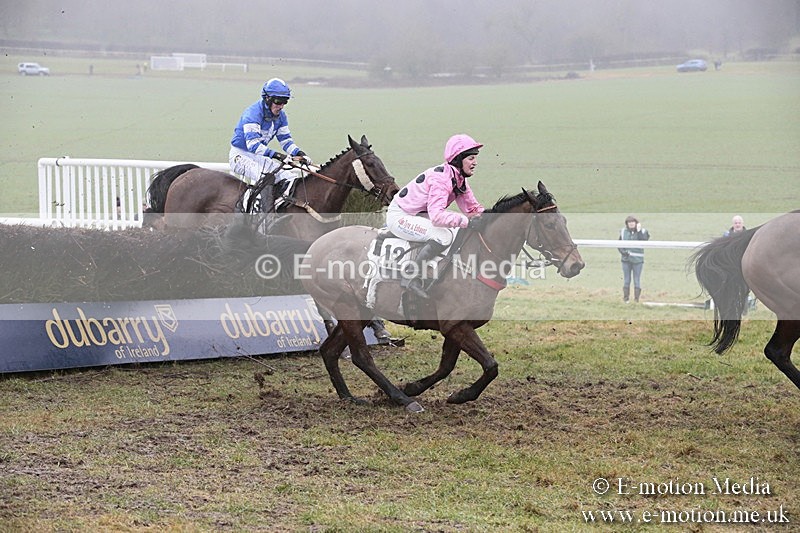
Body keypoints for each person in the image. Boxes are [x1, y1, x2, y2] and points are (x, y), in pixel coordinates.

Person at [386, 133, 485, 298]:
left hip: (417, 215)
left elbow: (473, 208)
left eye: (475, 158)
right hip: (400, 216)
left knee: (456, 231)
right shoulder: (441, 179)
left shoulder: (458, 179)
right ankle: (410, 277)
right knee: (443, 236)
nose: (475, 163)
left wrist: (495, 217)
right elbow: (437, 217)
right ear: (458, 159)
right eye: (471, 158)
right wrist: (467, 221)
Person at [229, 78, 311, 212]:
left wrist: (299, 153)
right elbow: (253, 145)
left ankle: (281, 208)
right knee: (265, 178)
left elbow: (285, 141)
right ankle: (261, 214)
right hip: (240, 156)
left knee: (289, 176)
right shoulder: (252, 114)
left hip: (257, 157)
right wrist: (277, 155)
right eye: (278, 101)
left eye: (285, 102)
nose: (281, 106)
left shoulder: (281, 117)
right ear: (267, 99)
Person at [617, 215, 650, 303]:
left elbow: (644, 240)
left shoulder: (642, 232)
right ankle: (626, 299)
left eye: (633, 222)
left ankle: (636, 299)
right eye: (629, 222)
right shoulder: (623, 232)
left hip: (638, 260)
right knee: (626, 280)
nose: (631, 224)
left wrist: (638, 231)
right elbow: (619, 244)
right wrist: (623, 253)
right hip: (626, 260)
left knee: (637, 280)